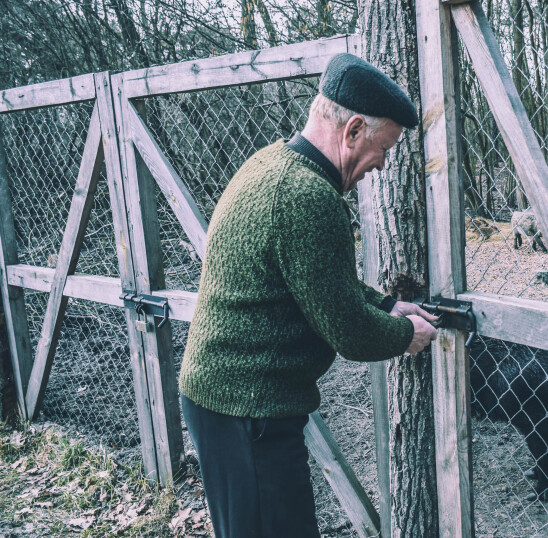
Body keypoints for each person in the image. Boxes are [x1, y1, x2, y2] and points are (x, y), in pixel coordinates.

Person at [178, 53, 439, 538]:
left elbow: (316, 280)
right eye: (383, 148)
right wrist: (407, 334)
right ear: (354, 130)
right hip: (247, 412)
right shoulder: (308, 197)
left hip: (224, 401)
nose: (382, 164)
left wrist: (386, 305)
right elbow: (350, 333)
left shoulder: (272, 162)